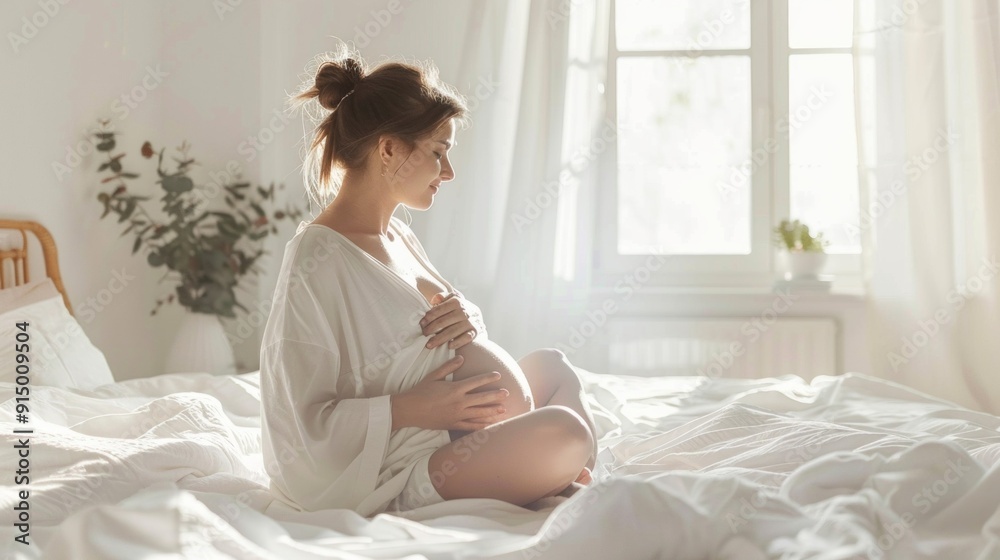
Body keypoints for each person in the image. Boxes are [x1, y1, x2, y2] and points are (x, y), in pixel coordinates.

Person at [260, 50, 598, 517]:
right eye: (438, 153)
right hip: (406, 462)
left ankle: (550, 473)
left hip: (465, 433)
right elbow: (299, 419)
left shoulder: (399, 236)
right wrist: (410, 409)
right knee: (567, 432)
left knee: (553, 365)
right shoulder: (317, 257)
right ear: (388, 150)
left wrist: (467, 321)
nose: (449, 172)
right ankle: (541, 474)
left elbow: (432, 343)